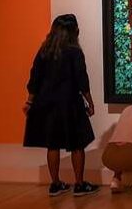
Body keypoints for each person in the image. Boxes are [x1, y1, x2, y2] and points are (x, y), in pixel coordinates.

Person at [23, 14, 99, 197]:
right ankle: (79, 184)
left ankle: (55, 183)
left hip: (45, 103)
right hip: (69, 103)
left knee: (53, 144)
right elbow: (82, 80)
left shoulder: (44, 51)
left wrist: (30, 101)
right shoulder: (74, 52)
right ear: (74, 32)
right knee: (77, 144)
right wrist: (90, 102)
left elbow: (34, 78)